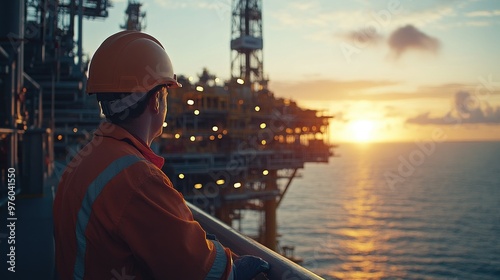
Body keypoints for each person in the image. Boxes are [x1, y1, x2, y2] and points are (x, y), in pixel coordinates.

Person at [53, 30, 269, 280]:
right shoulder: (138, 177)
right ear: (156, 100)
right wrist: (234, 266)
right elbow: (202, 270)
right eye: (166, 94)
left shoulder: (83, 161)